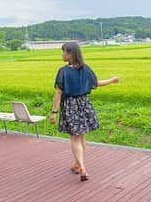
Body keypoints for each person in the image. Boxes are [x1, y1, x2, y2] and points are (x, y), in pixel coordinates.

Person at [50, 41, 120, 181]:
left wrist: (53, 112)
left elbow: (58, 93)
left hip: (70, 105)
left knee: (75, 138)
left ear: (70, 54)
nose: (62, 55)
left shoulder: (63, 71)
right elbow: (96, 83)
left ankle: (82, 167)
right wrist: (112, 80)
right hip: (84, 104)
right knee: (81, 136)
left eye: (63, 52)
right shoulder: (85, 68)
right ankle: (77, 164)